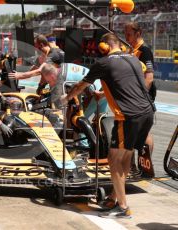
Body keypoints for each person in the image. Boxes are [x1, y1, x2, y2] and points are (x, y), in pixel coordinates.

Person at [61, 33, 155, 219]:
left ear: (104, 46)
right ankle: (114, 198)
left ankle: (122, 207)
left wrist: (67, 97)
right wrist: (103, 94)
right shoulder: (134, 60)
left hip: (128, 116)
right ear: (119, 45)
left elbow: (80, 86)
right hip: (147, 112)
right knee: (125, 156)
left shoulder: (103, 63)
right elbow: (126, 83)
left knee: (113, 158)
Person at [124, 21, 155, 160]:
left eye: (129, 34)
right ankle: (132, 166)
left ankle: (145, 166)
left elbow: (149, 78)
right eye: (125, 33)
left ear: (138, 33)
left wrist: (140, 96)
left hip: (143, 96)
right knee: (130, 132)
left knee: (144, 132)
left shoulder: (145, 50)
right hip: (132, 96)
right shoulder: (131, 49)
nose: (126, 37)